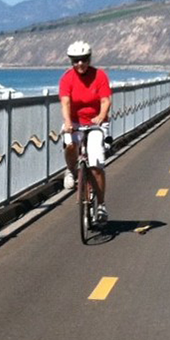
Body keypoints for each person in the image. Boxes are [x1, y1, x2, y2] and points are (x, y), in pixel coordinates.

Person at [59, 40, 112, 223]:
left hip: (96, 122)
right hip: (75, 122)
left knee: (96, 164)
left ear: (89, 59)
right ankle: (71, 170)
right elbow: (65, 102)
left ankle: (101, 205)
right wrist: (68, 122)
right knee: (70, 144)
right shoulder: (67, 78)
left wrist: (101, 116)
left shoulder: (100, 76)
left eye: (83, 59)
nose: (80, 63)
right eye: (75, 60)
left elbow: (105, 100)